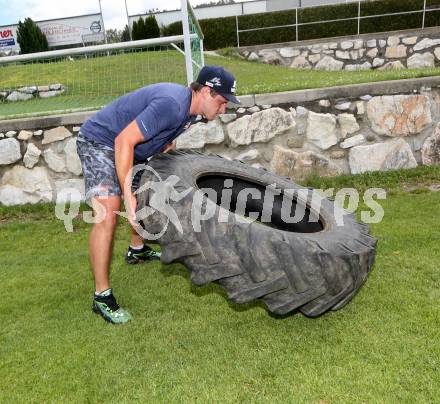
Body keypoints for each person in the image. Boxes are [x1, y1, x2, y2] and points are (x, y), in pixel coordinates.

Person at [76, 65, 240, 324]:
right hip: (101, 142)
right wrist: (128, 197)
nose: (223, 110)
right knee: (108, 212)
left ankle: (136, 249)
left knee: (149, 191)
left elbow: (166, 139)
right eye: (222, 102)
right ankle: (101, 296)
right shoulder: (172, 104)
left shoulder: (192, 113)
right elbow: (123, 142)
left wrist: (159, 173)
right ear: (207, 92)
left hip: (132, 147)